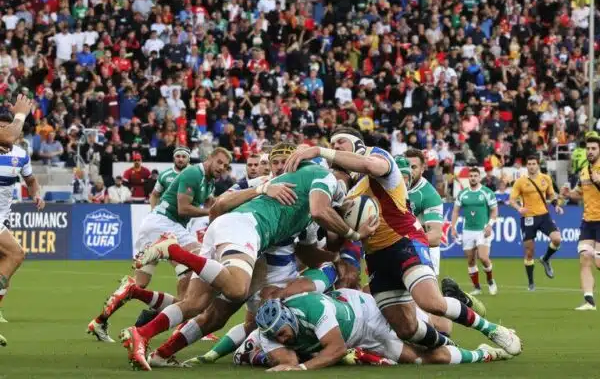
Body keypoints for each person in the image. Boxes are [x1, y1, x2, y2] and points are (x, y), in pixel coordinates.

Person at [283, 126, 521, 357]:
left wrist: (319, 150)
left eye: (339, 143)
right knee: (406, 328)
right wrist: (343, 227)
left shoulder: (377, 155)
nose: (334, 148)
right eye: (331, 145)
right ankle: (450, 345)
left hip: (404, 242)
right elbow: (335, 243)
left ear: (356, 145)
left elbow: (368, 165)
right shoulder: (343, 189)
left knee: (431, 303)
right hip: (376, 257)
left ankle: (494, 330)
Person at [123, 151, 362, 371]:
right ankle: (174, 250)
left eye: (283, 161)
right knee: (237, 289)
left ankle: (148, 342)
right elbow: (220, 205)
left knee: (201, 308)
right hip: (242, 233)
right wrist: (354, 235)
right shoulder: (299, 180)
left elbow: (308, 250)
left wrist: (337, 257)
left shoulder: (306, 206)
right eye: (275, 161)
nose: (279, 166)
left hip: (246, 250)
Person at [86, 148, 229, 343]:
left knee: (140, 285)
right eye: (219, 162)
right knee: (197, 264)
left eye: (226, 165)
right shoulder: (193, 173)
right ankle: (177, 322)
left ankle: (100, 321)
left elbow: (214, 202)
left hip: (158, 226)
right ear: (209, 158)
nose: (222, 167)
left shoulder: (209, 181)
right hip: (165, 225)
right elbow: (183, 208)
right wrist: (211, 212)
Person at [251, 290, 511, 372]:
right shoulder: (268, 331)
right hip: (364, 336)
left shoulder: (313, 307)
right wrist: (288, 365)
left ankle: (456, 302)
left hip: (371, 312)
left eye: (283, 333)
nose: (280, 339)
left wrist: (303, 369)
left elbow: (336, 349)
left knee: (437, 328)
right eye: (275, 337)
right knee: (422, 358)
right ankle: (484, 354)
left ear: (290, 318)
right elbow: (287, 362)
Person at [0, 97, 44, 345]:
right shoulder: (7, 139)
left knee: (7, 259)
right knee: (16, 254)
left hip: (2, 219)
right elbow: (9, 137)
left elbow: (31, 181)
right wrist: (20, 115)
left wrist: (36, 193)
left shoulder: (19, 155)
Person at [509, 155, 564, 291]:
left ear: (538, 165)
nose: (532, 166)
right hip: (528, 217)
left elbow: (551, 195)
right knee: (529, 252)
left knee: (557, 239)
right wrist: (518, 208)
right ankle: (531, 283)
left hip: (544, 215)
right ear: (526, 166)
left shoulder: (546, 178)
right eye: (529, 164)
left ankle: (545, 259)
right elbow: (512, 199)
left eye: (534, 163)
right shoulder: (520, 182)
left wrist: (556, 205)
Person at [561, 136, 600, 310]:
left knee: (598, 263)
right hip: (588, 221)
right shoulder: (584, 171)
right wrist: (568, 194)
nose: (590, 151)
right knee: (585, 258)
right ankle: (589, 301)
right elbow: (579, 193)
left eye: (594, 148)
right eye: (588, 149)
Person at [450, 168, 499, 295]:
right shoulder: (463, 194)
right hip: (467, 231)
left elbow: (494, 211)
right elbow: (456, 211)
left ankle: (490, 281)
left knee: (483, 257)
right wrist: (453, 227)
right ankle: (477, 287)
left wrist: (489, 225)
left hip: (482, 230)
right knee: (471, 260)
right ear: (468, 178)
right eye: (471, 176)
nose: (473, 178)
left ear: (479, 177)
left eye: (475, 176)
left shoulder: (487, 192)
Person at [403, 149, 444, 275]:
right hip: (397, 248)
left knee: (422, 294)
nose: (409, 171)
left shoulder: (429, 195)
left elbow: (435, 236)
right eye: (405, 166)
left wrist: (401, 242)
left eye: (413, 167)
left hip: (422, 251)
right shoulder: (391, 187)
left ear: (422, 169)